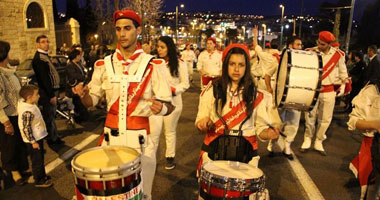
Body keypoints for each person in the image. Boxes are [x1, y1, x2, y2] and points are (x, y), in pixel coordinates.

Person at [72, 10, 174, 200]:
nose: (122, 34)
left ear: (138, 30)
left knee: (142, 195)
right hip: (112, 141)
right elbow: (92, 101)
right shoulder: (104, 64)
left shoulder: (153, 64)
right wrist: (82, 96)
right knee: (112, 196)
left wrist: (162, 108)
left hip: (142, 143)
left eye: (127, 28)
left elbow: (169, 105)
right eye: (118, 29)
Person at [195, 44, 280, 174]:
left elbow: (260, 128)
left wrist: (268, 134)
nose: (236, 69)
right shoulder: (212, 90)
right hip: (214, 151)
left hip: (246, 155)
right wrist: (203, 123)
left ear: (246, 67)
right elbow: (200, 120)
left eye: (241, 65)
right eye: (232, 64)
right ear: (225, 65)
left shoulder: (256, 94)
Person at [300, 31, 348, 155]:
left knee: (325, 118)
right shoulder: (311, 52)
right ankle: (307, 138)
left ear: (329, 44)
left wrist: (343, 85)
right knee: (310, 116)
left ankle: (319, 140)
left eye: (323, 44)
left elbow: (343, 72)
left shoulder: (338, 55)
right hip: (314, 90)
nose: (319, 45)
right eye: (319, 43)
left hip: (329, 90)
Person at [150, 36, 189, 170]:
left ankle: (169, 157)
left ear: (169, 48)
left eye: (162, 47)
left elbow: (185, 84)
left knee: (170, 131)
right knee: (154, 132)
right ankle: (150, 158)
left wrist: (173, 90)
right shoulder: (154, 63)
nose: (159, 50)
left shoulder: (180, 63)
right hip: (156, 103)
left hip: (173, 102)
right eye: (158, 47)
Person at [0, 41, 29, 186]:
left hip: (18, 112)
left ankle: (22, 167)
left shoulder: (10, 70)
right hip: (7, 115)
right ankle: (12, 171)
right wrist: (5, 122)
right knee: (9, 145)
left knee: (19, 142)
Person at [348, 79, 380, 200]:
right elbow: (353, 121)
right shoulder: (372, 91)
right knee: (372, 193)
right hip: (374, 148)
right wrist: (376, 125)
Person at [18, 84, 53, 188]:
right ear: (29, 97)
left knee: (40, 158)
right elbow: (26, 128)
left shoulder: (30, 105)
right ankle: (39, 180)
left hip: (37, 137)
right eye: (36, 94)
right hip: (34, 140)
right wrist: (33, 142)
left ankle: (42, 175)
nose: (39, 96)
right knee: (37, 160)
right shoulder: (27, 111)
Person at [32, 35, 64, 145]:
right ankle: (52, 138)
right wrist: (51, 95)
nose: (46, 44)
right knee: (50, 116)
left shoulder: (44, 56)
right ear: (38, 44)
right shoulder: (39, 59)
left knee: (52, 115)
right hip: (48, 93)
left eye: (47, 41)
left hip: (53, 90)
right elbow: (44, 79)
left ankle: (54, 135)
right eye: (43, 42)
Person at [277, 36, 303, 160]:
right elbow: (269, 74)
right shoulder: (280, 58)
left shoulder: (304, 61)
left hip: (295, 94)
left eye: (300, 45)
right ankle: (272, 143)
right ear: (290, 46)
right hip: (280, 96)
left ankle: (287, 146)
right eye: (297, 44)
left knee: (294, 122)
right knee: (277, 120)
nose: (300, 47)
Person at [66, 48, 89, 123]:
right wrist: (83, 77)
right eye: (79, 55)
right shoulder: (70, 65)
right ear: (76, 56)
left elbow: (83, 71)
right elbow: (73, 75)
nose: (80, 56)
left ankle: (82, 115)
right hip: (75, 86)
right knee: (77, 101)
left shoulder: (78, 63)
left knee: (80, 100)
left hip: (81, 85)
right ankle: (80, 116)